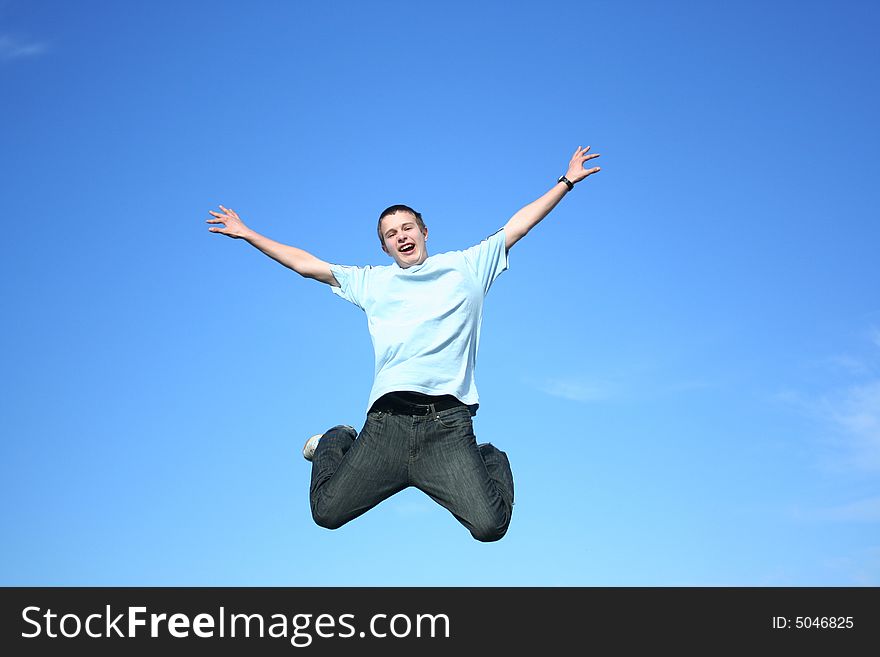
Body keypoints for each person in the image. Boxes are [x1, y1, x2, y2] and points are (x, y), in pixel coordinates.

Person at [207, 145, 601, 541]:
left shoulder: (467, 266)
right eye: (391, 234)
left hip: (447, 427)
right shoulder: (371, 282)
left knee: (490, 525)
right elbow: (306, 264)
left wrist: (565, 182)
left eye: (407, 228)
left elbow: (518, 226)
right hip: (386, 427)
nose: (402, 236)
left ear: (424, 231)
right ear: (385, 247)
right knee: (326, 512)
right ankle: (336, 438)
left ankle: (487, 459)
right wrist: (247, 233)